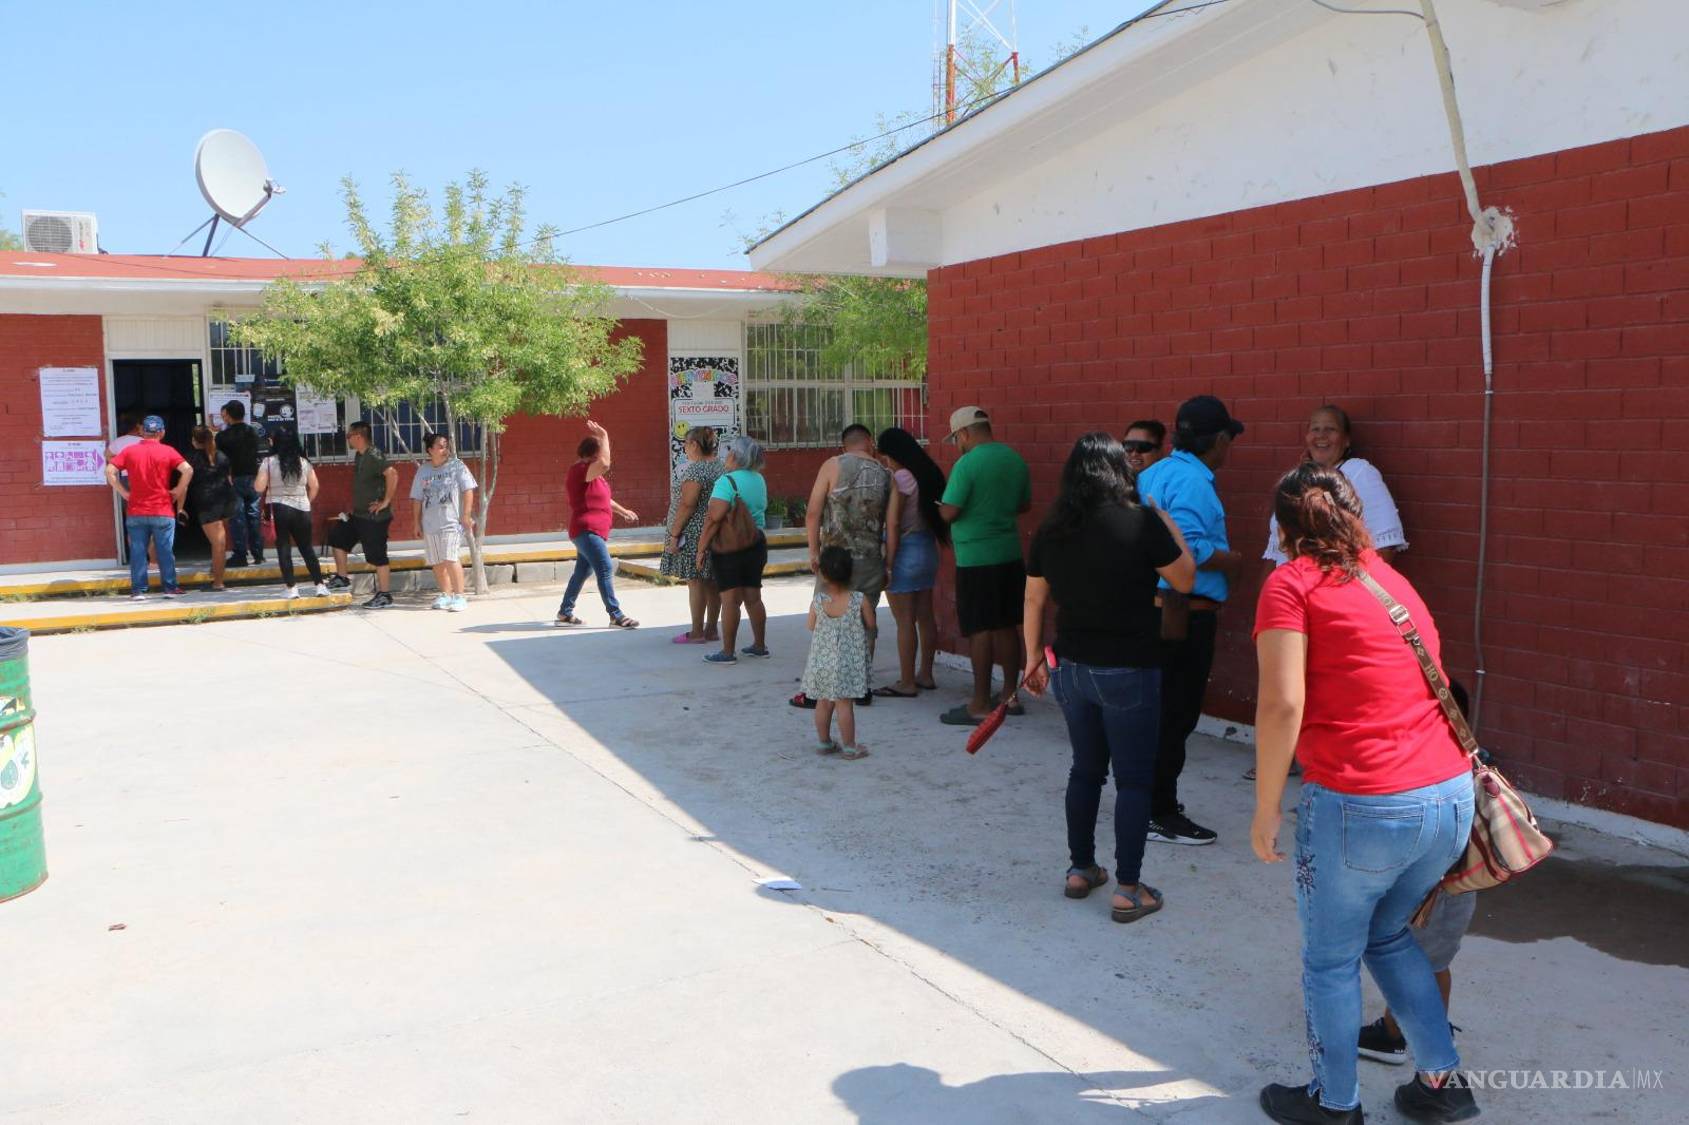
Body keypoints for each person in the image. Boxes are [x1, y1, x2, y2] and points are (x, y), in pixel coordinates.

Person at [1252, 463, 1478, 1125]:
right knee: (1387, 935)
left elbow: (1281, 703)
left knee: (1330, 961)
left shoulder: (1289, 584)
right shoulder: (1389, 578)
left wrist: (1266, 805)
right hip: (1446, 796)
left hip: (1363, 802)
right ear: (1355, 517)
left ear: (1281, 529)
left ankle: (1333, 1103)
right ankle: (1441, 1086)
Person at [1023, 434, 1195, 924]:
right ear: (1120, 471)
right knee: (1134, 781)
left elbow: (1034, 598)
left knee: (1085, 770)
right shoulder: (1141, 521)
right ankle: (1128, 889)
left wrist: (1033, 657)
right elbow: (1185, 578)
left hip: (1072, 668)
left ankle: (1080, 870)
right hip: (1129, 668)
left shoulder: (1053, 527)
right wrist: (1163, 517)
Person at [1135, 394, 1245, 846]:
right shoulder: (1194, 481)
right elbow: (1188, 547)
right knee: (1175, 716)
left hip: (1155, 609)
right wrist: (1231, 561)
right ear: (1218, 440)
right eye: (1228, 439)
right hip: (1184, 615)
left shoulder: (1154, 472)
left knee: (1157, 713)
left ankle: (1148, 801)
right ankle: (1157, 812)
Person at [1358, 677, 1482, 1069]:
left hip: (1432, 891)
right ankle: (1426, 1027)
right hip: (1454, 888)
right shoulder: (1467, 760)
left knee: (1413, 963)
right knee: (1432, 962)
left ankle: (1398, 1035)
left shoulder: (1430, 771)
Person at [936, 405, 1032, 727]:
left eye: (955, 439)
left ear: (964, 433)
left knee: (980, 629)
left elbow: (949, 511)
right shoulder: (1014, 459)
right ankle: (1009, 696)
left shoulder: (967, 464)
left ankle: (979, 703)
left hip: (975, 558)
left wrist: (939, 508)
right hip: (1009, 554)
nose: (956, 445)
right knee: (1007, 625)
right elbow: (1024, 504)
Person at [793, 424, 891, 708]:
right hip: (870, 559)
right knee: (865, 623)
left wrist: (814, 552)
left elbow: (813, 513)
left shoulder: (832, 465)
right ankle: (861, 688)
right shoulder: (886, 474)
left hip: (835, 559)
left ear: (844, 445)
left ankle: (820, 689)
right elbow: (892, 523)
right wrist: (889, 563)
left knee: (827, 621)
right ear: (869, 442)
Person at [1264, 404, 1406, 569]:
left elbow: (1385, 545)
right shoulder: (1297, 479)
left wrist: (1351, 584)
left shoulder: (1359, 472)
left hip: (1335, 582)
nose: (1321, 435)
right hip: (1288, 581)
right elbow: (1277, 553)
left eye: (1330, 429)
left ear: (1346, 440)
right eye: (1315, 429)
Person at [873, 426, 948, 698]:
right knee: (925, 616)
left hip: (904, 549)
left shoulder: (902, 477)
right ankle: (926, 674)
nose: (885, 464)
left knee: (904, 621)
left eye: (885, 458)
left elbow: (893, 522)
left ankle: (906, 681)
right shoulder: (928, 472)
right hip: (927, 547)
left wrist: (888, 564)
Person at [556, 421, 641, 628]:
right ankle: (616, 615)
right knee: (605, 567)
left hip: (590, 531)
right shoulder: (580, 471)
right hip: (587, 530)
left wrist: (623, 511)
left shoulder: (594, 477)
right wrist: (604, 435)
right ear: (594, 455)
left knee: (582, 572)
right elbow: (605, 464)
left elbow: (604, 500)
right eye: (601, 451)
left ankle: (565, 612)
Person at [696, 435, 769, 665]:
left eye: (728, 451)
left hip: (730, 547)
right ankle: (759, 646)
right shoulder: (759, 479)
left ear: (735, 456)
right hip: (756, 543)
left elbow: (713, 518)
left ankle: (727, 652)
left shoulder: (726, 482)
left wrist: (701, 549)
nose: (725, 455)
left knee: (730, 600)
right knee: (753, 598)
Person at [104, 415, 191, 600]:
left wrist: (123, 492)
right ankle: (169, 588)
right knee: (165, 550)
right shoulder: (168, 451)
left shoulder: (129, 451)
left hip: (136, 509)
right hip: (162, 509)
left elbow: (110, 470)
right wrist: (178, 490)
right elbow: (188, 470)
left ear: (142, 431)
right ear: (162, 432)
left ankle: (138, 590)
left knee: (137, 551)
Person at [802, 546, 876, 760]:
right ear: (851, 572)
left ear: (822, 573)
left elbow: (811, 626)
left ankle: (824, 743)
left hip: (822, 662)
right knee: (844, 704)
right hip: (848, 663)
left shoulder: (818, 601)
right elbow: (871, 624)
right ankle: (850, 747)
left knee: (823, 702)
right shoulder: (859, 599)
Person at [660, 426, 725, 644]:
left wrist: (674, 535)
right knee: (712, 581)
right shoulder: (719, 466)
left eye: (686, 444)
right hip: (714, 530)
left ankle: (697, 632)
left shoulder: (696, 470)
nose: (685, 448)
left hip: (693, 533)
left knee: (695, 581)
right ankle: (711, 629)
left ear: (695, 445)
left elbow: (688, 504)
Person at [325, 420, 399, 609]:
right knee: (337, 537)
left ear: (358, 436)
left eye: (349, 435)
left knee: (377, 555)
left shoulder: (374, 455)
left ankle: (384, 595)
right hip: (359, 515)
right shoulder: (360, 455)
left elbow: (392, 474)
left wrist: (385, 502)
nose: (347, 439)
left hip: (374, 517)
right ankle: (342, 577)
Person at [256, 428, 327, 599]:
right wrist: (306, 501)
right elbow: (315, 486)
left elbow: (259, 487)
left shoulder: (268, 462)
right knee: (307, 548)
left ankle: (292, 588)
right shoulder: (304, 462)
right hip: (302, 508)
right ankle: (320, 586)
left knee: (283, 548)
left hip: (278, 508)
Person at [410, 431, 477, 612]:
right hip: (430, 524)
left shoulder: (457, 466)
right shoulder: (423, 471)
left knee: (450, 558)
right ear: (430, 450)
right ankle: (446, 594)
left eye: (446, 446)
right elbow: (417, 498)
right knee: (437, 561)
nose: (445, 450)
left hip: (451, 522)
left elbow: (468, 490)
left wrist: (466, 515)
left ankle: (459, 596)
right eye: (440, 447)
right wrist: (416, 523)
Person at [187, 425, 238, 591]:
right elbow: (229, 479)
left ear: (194, 441)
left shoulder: (192, 459)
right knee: (220, 541)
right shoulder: (221, 456)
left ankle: (218, 582)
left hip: (208, 502)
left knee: (218, 544)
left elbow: (185, 481)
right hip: (226, 499)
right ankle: (216, 572)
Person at [217, 399, 264, 567]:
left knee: (237, 518)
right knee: (254, 515)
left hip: (234, 478)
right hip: (253, 478)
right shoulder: (253, 432)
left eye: (224, 415)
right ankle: (258, 553)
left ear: (229, 415)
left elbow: (220, 459)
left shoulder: (222, 437)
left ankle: (240, 555)